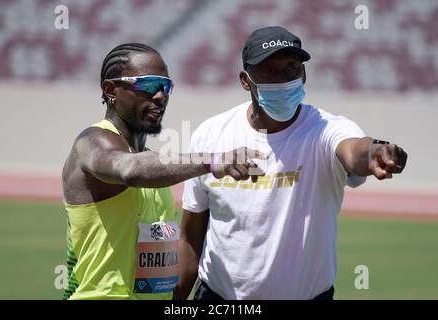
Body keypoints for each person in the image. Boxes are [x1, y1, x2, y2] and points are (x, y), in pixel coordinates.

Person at [174, 26, 408, 300]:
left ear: (304, 74)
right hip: (218, 298)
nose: (283, 80)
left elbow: (354, 149)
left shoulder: (325, 129)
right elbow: (190, 239)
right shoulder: (211, 134)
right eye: (269, 71)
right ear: (245, 80)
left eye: (291, 68)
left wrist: (374, 152)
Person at [61, 43, 266, 300]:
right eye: (148, 86)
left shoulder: (149, 161)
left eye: (165, 86)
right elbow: (129, 170)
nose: (160, 96)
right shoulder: (92, 142)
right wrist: (213, 161)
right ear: (111, 89)